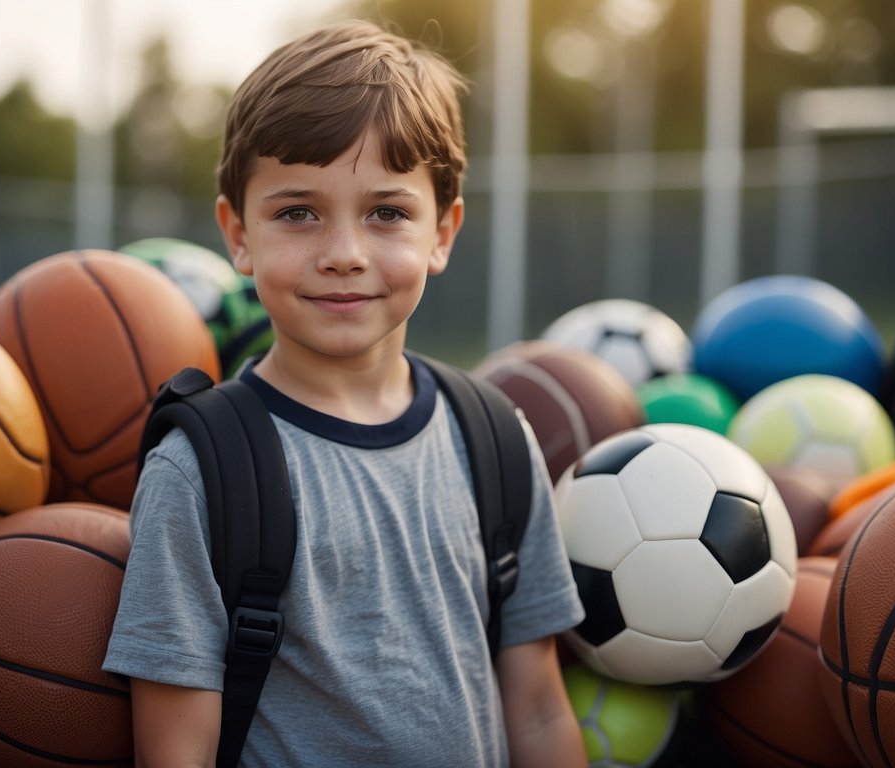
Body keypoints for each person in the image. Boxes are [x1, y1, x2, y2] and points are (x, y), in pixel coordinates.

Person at [104, 18, 587, 768]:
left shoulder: (496, 438)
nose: (343, 255)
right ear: (237, 234)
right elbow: (176, 753)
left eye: (387, 213)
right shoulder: (202, 470)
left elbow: (537, 710)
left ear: (443, 233)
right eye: (298, 213)